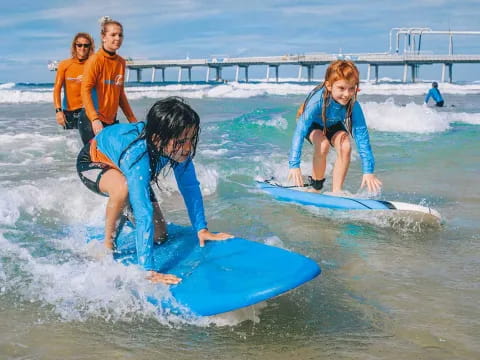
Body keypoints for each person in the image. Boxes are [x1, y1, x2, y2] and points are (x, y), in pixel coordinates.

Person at [77, 97, 233, 284]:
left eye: (191, 139)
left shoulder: (177, 150)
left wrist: (201, 229)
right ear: (158, 139)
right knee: (123, 189)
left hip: (127, 168)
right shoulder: (138, 155)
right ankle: (107, 246)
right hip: (95, 161)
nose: (187, 148)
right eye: (182, 141)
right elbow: (143, 213)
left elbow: (190, 188)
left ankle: (125, 210)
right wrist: (147, 270)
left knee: (160, 236)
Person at [288, 60, 382, 194]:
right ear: (329, 86)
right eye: (341, 88)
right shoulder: (317, 101)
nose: (347, 94)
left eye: (351, 88)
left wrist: (368, 171)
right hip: (312, 123)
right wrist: (294, 165)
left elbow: (362, 137)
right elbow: (300, 131)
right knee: (323, 144)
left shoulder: (353, 105)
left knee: (345, 146)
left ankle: (337, 191)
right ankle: (316, 187)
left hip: (332, 123)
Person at [79, 16, 137, 144]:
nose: (118, 38)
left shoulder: (121, 62)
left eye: (120, 35)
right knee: (95, 160)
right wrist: (94, 119)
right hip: (91, 119)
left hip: (110, 120)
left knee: (110, 160)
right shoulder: (95, 60)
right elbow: (85, 91)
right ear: (103, 37)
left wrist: (132, 119)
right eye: (113, 35)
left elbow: (120, 94)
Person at [53, 33, 95, 129]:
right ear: (74, 46)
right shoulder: (64, 64)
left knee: (88, 142)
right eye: (79, 45)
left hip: (88, 111)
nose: (82, 48)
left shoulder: (93, 65)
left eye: (86, 45)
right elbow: (57, 89)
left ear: (90, 47)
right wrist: (58, 111)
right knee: (69, 142)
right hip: (68, 112)